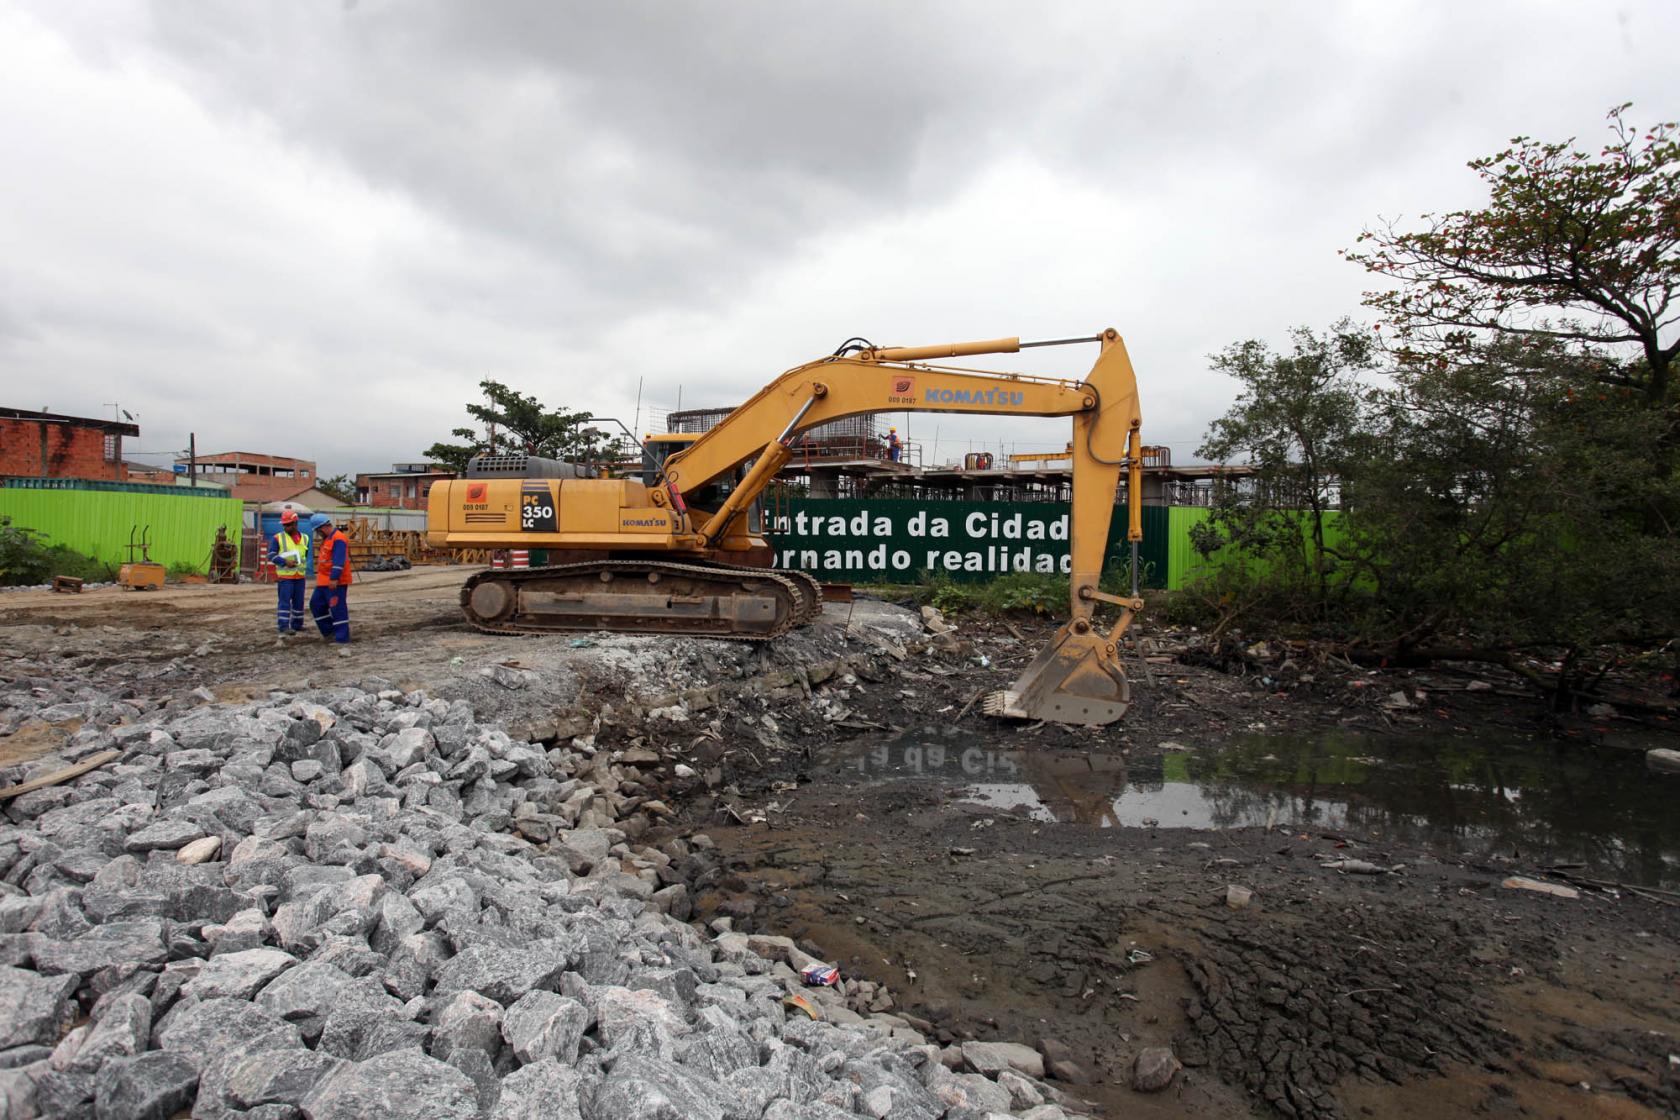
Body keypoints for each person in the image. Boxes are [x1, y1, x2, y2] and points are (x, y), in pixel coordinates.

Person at [310, 518, 353, 645]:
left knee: (337, 608)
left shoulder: (338, 539)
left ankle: (342, 638)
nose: (318, 534)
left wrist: (334, 578)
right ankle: (329, 632)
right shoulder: (328, 539)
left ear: (323, 527)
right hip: (323, 581)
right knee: (316, 604)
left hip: (335, 581)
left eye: (318, 531)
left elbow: (339, 560)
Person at [267, 510, 310, 635]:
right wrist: (284, 562)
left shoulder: (305, 538)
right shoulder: (278, 538)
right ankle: (284, 626)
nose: (285, 527)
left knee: (299, 602)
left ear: (295, 523)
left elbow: (304, 556)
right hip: (285, 577)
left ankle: (297, 625)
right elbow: (271, 555)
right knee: (284, 602)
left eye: (288, 525)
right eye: (284, 525)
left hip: (300, 577)